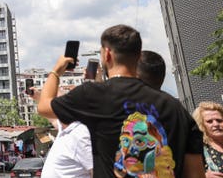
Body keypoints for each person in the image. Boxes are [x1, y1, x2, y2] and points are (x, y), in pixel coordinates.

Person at [37, 24, 205, 178]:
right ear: (138, 56)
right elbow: (196, 174)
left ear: (107, 54)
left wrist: (56, 72)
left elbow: (44, 107)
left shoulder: (94, 95)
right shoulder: (175, 108)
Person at [29, 87, 93, 178]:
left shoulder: (80, 134)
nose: (50, 105)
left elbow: (97, 171)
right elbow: (54, 121)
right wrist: (39, 98)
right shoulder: (66, 129)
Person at [193, 102, 223, 176]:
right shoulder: (198, 149)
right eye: (210, 121)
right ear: (202, 125)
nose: (216, 124)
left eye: (219, 120)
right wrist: (204, 176)